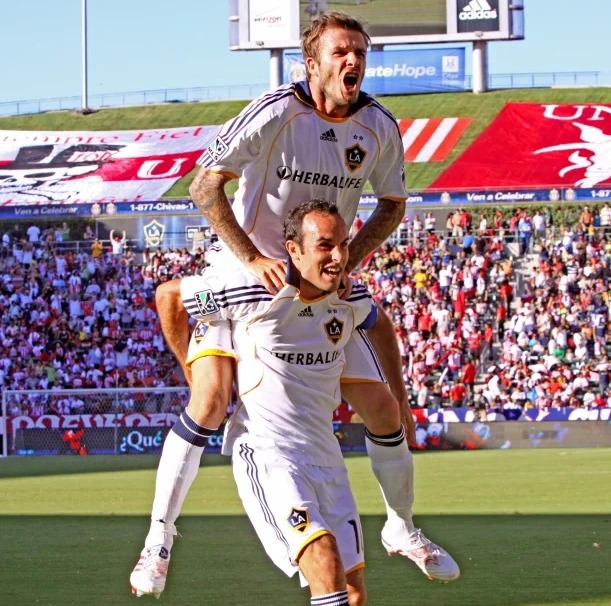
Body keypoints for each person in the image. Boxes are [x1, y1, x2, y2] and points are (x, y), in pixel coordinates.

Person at [130, 11, 459, 598]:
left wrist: (349, 255)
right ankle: (159, 538)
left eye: (359, 50)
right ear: (312, 64)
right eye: (340, 52)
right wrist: (251, 260)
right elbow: (204, 185)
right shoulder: (277, 111)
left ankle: (403, 529)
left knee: (384, 411)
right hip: (249, 273)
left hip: (320, 267)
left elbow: (393, 203)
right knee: (209, 398)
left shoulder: (378, 126)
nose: (353, 60)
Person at [148, 202, 371, 603]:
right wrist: (188, 366)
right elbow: (169, 296)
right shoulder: (253, 290)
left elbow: (379, 324)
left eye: (343, 245)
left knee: (353, 592)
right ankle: (158, 535)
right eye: (325, 245)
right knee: (322, 556)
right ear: (294, 248)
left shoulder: (352, 297)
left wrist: (399, 403)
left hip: (326, 455)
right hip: (269, 454)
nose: (338, 256)